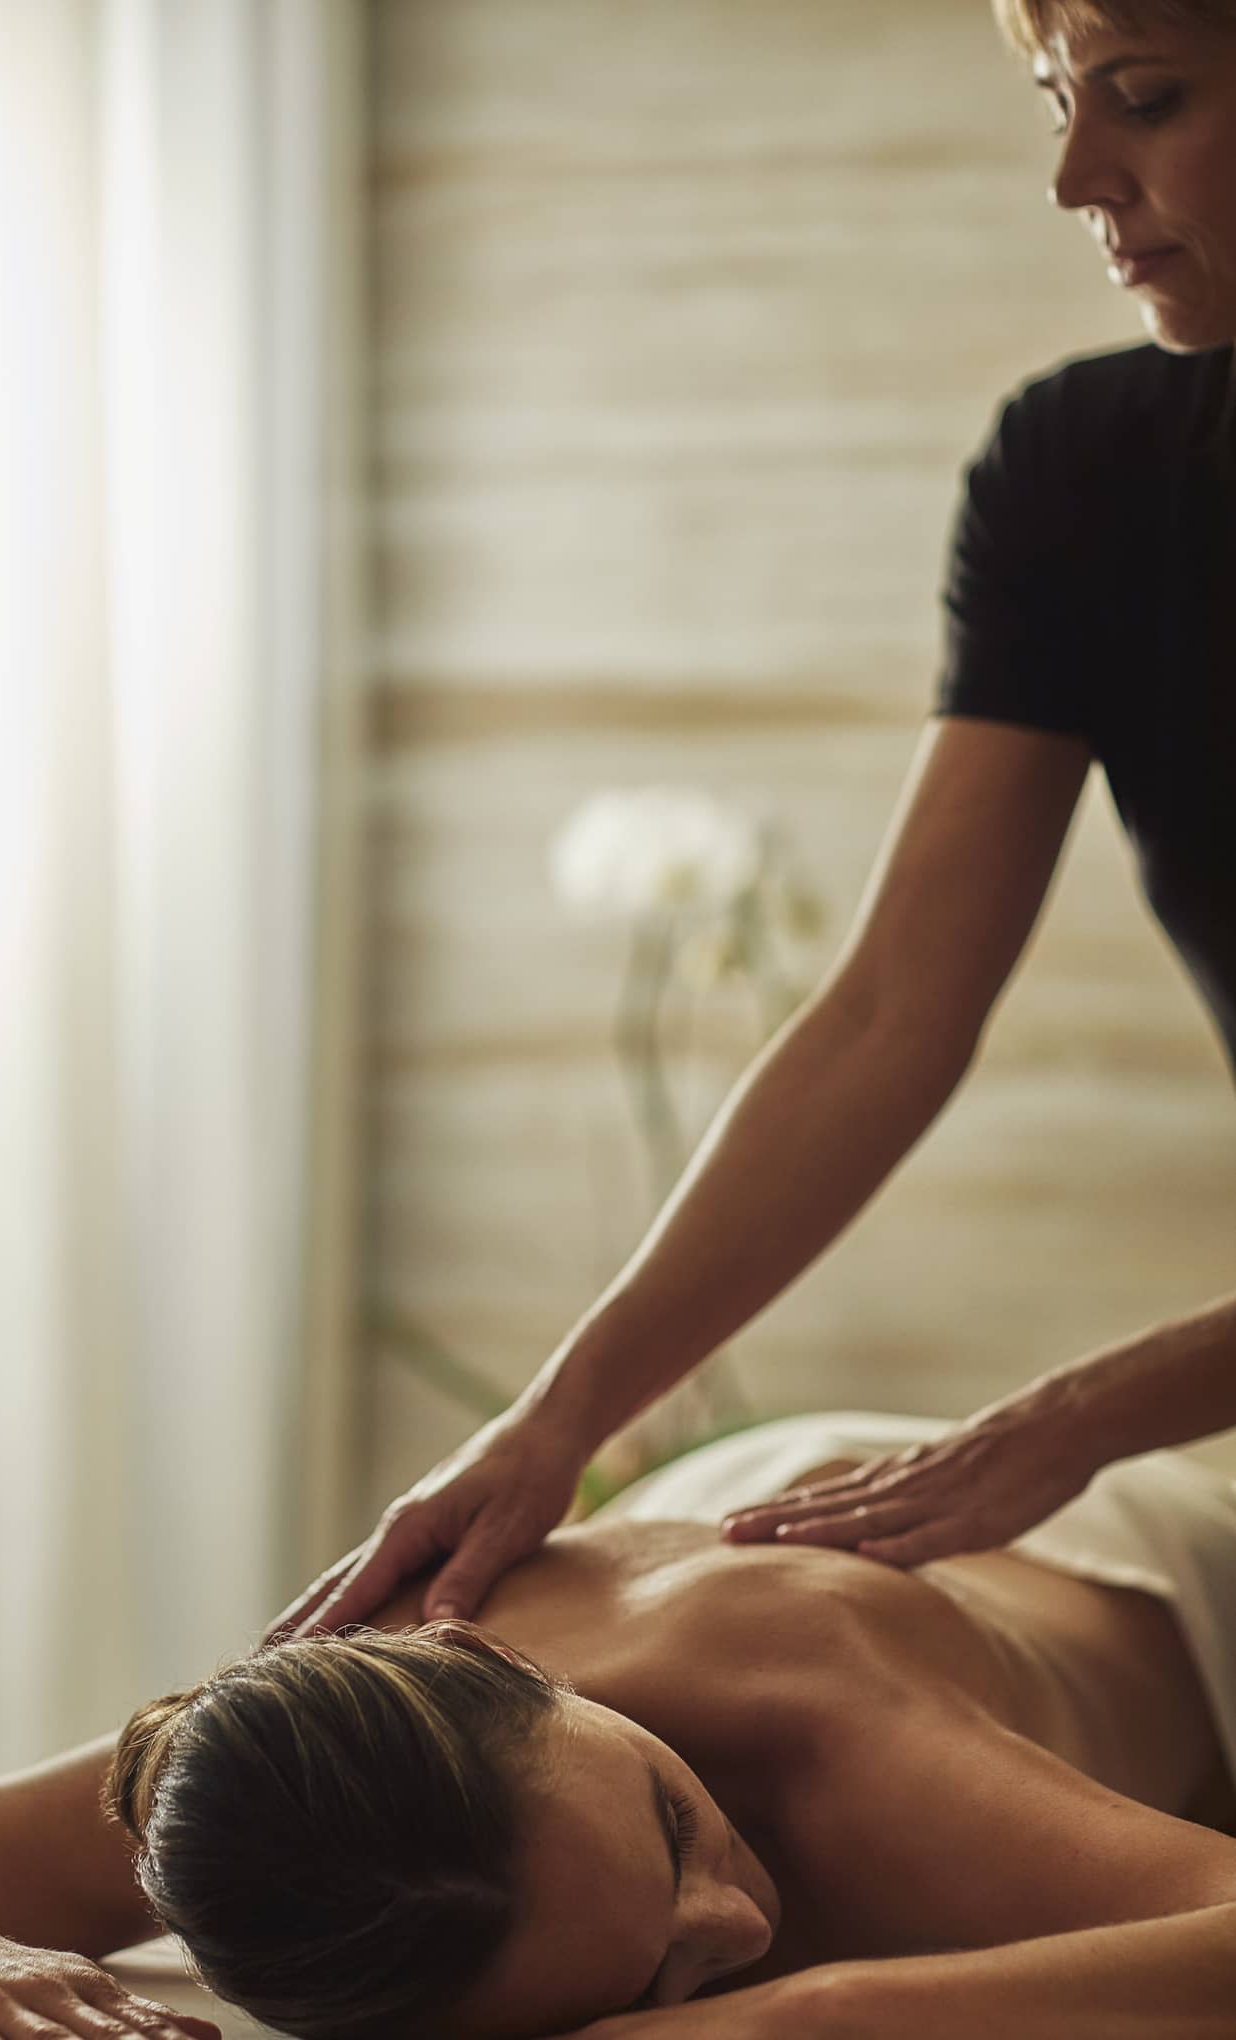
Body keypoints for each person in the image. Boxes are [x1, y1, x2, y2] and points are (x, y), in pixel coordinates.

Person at [270, 0, 1236, 1648]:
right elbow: (880, 1016)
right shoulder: (1079, 477)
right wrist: (553, 1422)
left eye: (1142, 99)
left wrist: (1068, 1423)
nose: (1075, 173)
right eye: (1053, 101)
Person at [0, 1413, 1236, 2040]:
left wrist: (794, 2016)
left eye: (671, 1825)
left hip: (1125, 1548)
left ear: (494, 1665)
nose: (735, 1914)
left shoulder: (834, 1739)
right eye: (652, 1970)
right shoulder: (283, 1797)